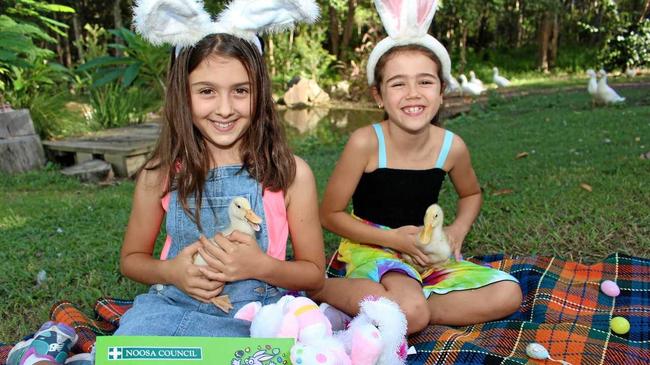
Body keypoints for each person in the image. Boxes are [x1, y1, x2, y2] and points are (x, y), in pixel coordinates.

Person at [113, 0, 324, 337]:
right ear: (183, 94)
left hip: (256, 316)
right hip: (173, 308)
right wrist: (171, 272)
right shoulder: (159, 175)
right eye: (207, 91)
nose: (225, 109)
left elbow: (314, 274)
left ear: (260, 93)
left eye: (241, 91)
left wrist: (262, 266)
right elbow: (132, 259)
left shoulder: (290, 175)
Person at [311, 0, 522, 335]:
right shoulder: (365, 143)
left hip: (423, 252)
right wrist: (392, 238)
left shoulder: (451, 146)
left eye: (425, 82)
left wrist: (456, 231)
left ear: (442, 91)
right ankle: (319, 289)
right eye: (398, 84)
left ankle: (395, 310)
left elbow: (471, 194)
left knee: (508, 293)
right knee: (411, 307)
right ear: (378, 95)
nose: (413, 94)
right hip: (373, 248)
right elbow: (330, 215)